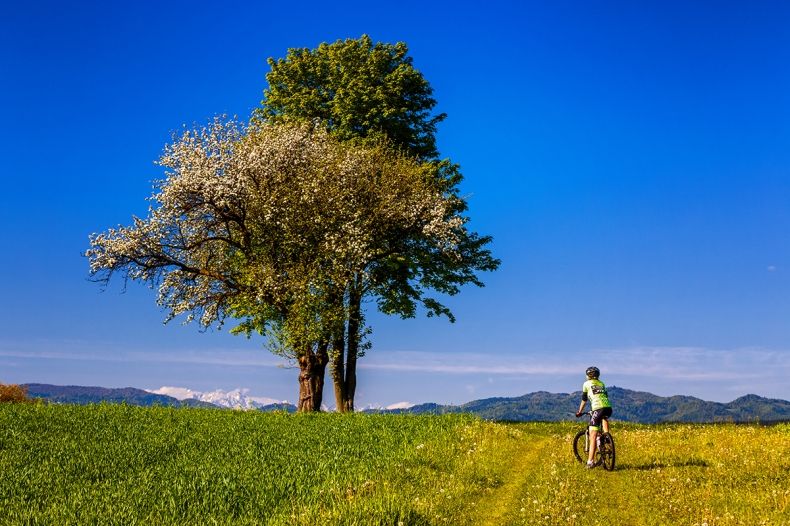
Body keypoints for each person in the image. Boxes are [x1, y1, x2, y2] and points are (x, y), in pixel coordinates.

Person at [576, 366, 612, 469]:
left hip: (597, 408)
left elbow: (584, 400)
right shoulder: (601, 384)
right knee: (604, 417)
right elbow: (604, 396)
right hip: (608, 408)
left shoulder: (586, 384)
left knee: (593, 435)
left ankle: (590, 461)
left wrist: (579, 412)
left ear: (588, 375)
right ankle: (606, 436)